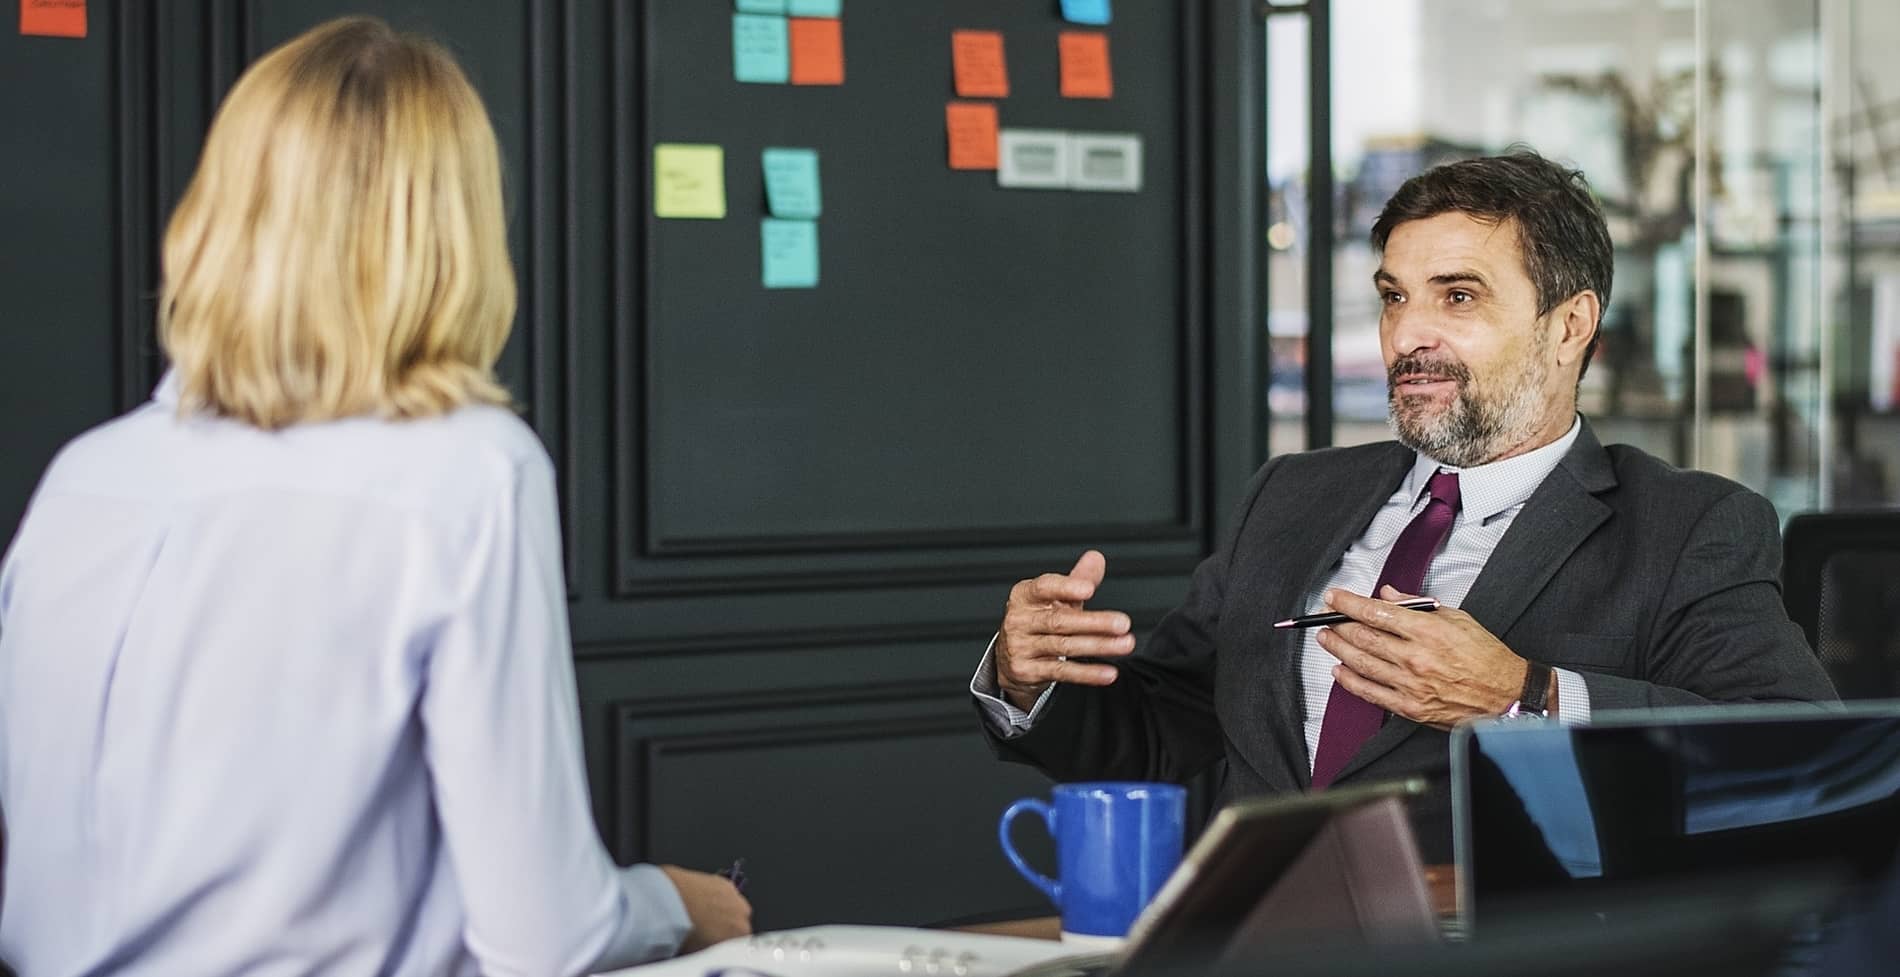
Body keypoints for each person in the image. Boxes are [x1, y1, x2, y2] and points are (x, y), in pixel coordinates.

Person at [0, 17, 748, 976]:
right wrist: (668, 902)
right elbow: (542, 939)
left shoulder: (88, 476)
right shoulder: (467, 470)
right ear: (456, 229)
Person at [971, 150, 1837, 861]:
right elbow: (1174, 729)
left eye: (1457, 296)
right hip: (1254, 946)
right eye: (1394, 296)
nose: (1407, 334)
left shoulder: (1689, 527)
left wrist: (1521, 695)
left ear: (1570, 325)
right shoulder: (1292, 493)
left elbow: (1800, 762)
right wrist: (1030, 677)